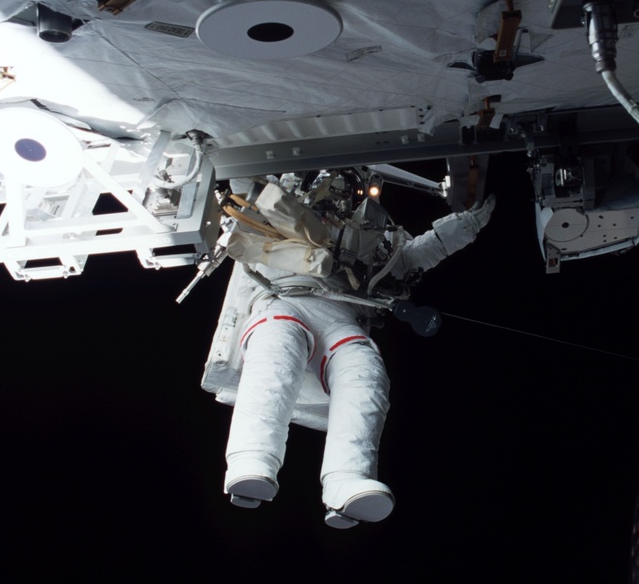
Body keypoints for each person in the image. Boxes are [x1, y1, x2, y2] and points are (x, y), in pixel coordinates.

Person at [201, 169, 495, 528]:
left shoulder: (379, 238)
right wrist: (248, 160)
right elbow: (246, 184)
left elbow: (423, 251)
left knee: (366, 374)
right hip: (284, 301)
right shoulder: (279, 202)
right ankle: (252, 461)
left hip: (343, 318)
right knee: (277, 351)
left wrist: (467, 222)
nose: (338, 191)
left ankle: (346, 480)